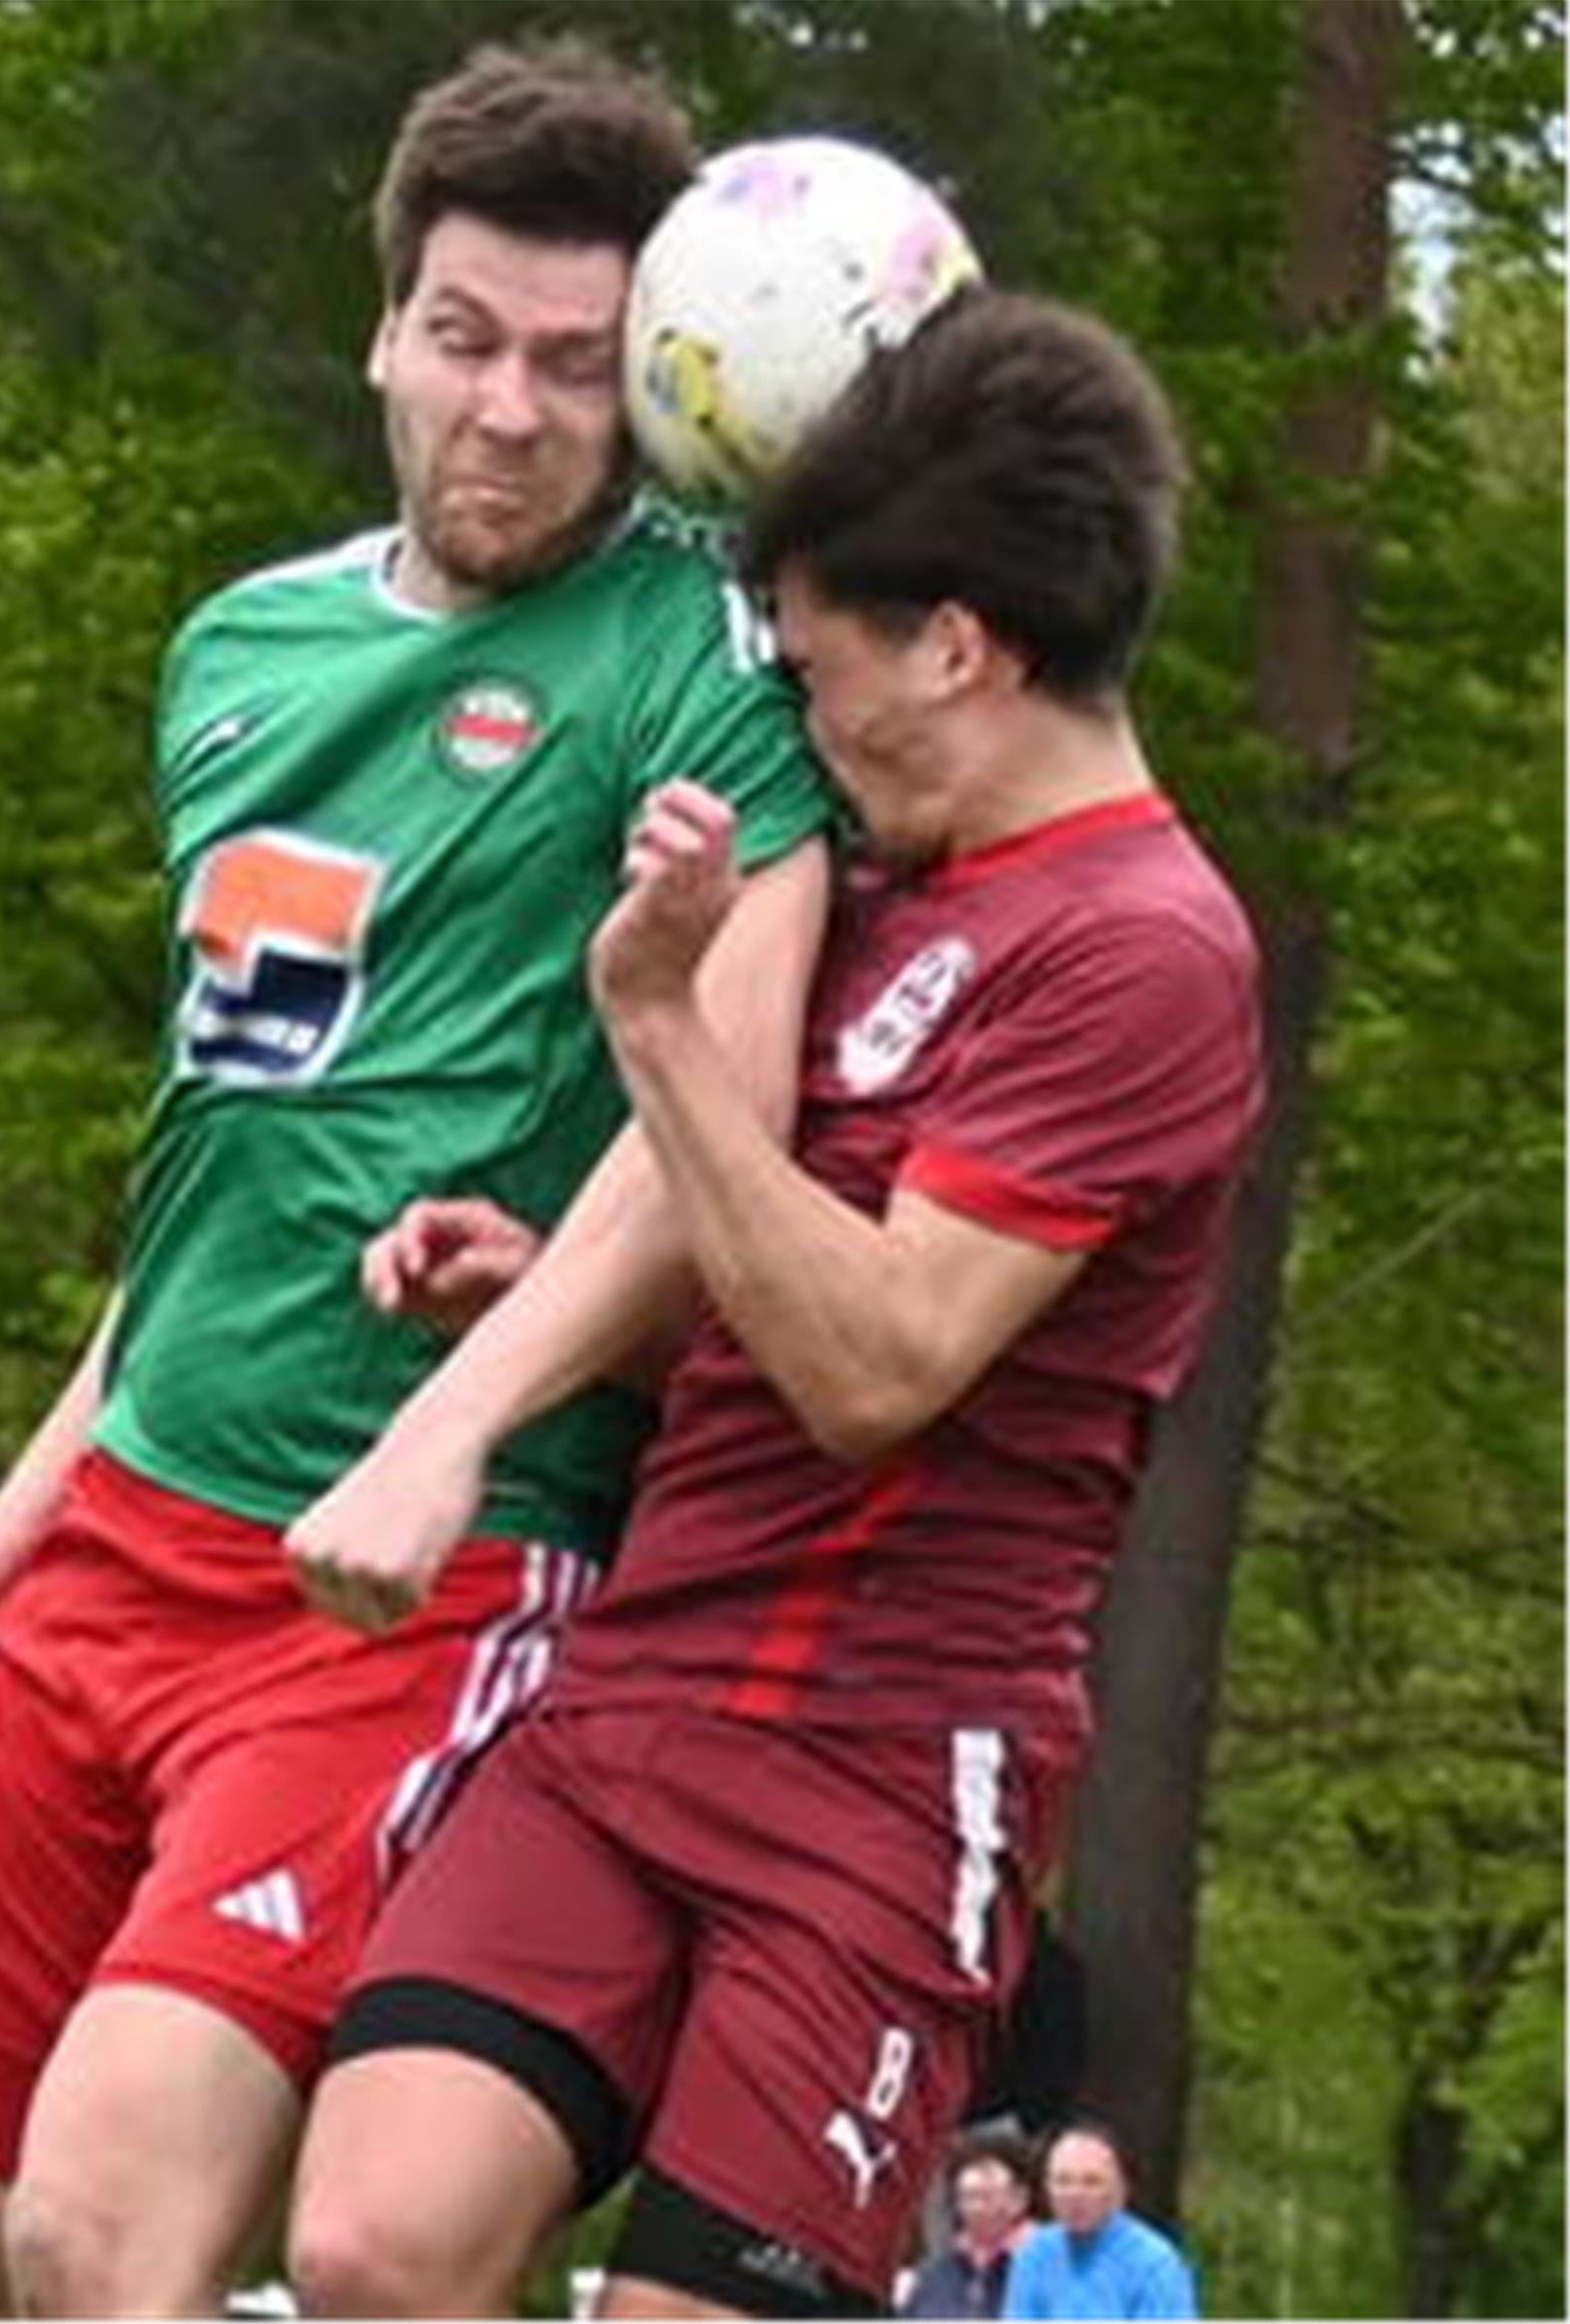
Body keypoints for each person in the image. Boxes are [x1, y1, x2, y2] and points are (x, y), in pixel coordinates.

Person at [0, 40, 831, 2318]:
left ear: (649, 389)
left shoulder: (702, 657)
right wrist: (8, 1521)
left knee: (109, 2233)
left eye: (577, 369)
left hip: (400, 1588)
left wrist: (452, 1427)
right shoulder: (239, 651)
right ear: (386, 326)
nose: (507, 411)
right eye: (466, 341)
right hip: (110, 1550)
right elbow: (225, 1167)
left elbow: (726, 1141)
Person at [285, 285, 1266, 2319]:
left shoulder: (1145, 951)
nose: (809, 727)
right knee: (372, 2240)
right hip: (637, 1699)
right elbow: (759, 1288)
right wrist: (556, 1292)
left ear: (962, 649)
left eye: (822, 676)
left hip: (883, 1783)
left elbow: (879, 1360)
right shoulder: (895, 892)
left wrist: (652, 1018)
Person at [1002, 2123, 1199, 2319]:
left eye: (1092, 2182)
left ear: (1120, 2192)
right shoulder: (1034, 2255)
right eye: (1063, 2181)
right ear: (1046, 2188)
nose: (1075, 2194)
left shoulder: (1155, 2265)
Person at [899, 2130, 1036, 2319]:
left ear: (1019, 2199)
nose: (977, 2209)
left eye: (988, 2197)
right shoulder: (933, 2278)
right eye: (969, 2197)